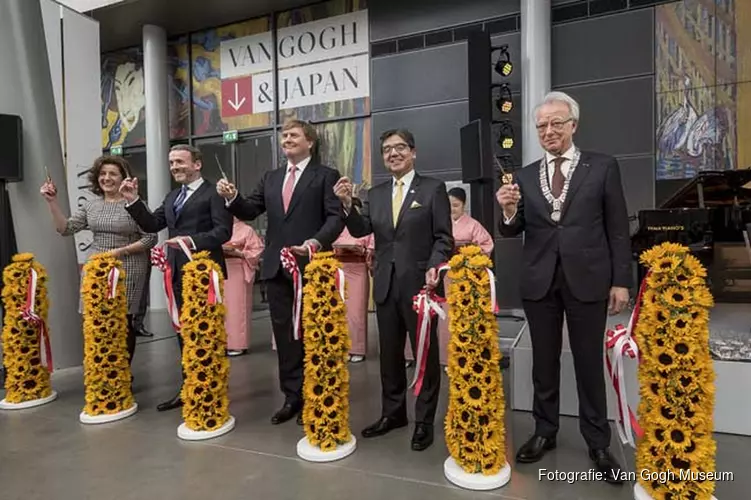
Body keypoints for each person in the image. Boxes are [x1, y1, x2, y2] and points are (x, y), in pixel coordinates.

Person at [496, 91, 631, 484]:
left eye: (556, 122)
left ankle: (598, 442)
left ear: (573, 124)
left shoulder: (602, 167)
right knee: (544, 361)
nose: (548, 130)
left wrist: (621, 280)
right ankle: (544, 431)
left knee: (589, 363)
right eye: (541, 125)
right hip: (540, 280)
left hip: (588, 278)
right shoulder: (523, 175)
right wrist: (506, 209)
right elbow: (512, 227)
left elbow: (618, 229)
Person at [216, 119, 344, 425]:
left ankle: (317, 395)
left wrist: (314, 243)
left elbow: (335, 218)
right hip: (276, 268)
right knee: (286, 336)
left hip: (312, 267)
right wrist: (232, 197)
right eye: (284, 135)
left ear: (310, 142)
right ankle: (292, 396)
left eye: (293, 135)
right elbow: (250, 210)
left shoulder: (326, 176)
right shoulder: (271, 177)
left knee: (314, 334)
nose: (286, 139)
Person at [333, 128, 453, 451]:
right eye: (387, 149)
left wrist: (435, 264)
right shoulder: (377, 193)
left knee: (425, 355)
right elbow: (361, 229)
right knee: (389, 357)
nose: (393, 153)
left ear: (413, 152)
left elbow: (444, 237)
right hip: (385, 284)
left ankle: (424, 421)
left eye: (400, 147)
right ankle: (393, 413)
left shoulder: (433, 189)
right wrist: (347, 205)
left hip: (420, 287)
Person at [119, 144, 233, 412]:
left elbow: (223, 232)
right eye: (171, 163)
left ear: (197, 164)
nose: (175, 167)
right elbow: (151, 224)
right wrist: (133, 200)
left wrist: (189, 241)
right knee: (183, 335)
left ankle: (210, 390)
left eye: (180, 162)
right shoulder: (172, 197)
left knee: (206, 335)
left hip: (205, 276)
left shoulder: (214, 193)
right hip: (177, 274)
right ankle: (189, 387)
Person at [40, 156, 157, 364]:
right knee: (95, 318)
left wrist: (119, 252)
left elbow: (150, 238)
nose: (107, 178)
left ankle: (120, 374)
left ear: (124, 178)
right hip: (96, 269)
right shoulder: (91, 206)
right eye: (103, 174)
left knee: (123, 322)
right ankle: (101, 369)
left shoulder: (135, 205)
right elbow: (65, 228)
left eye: (113, 174)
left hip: (127, 268)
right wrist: (52, 202)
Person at [404, 187, 494, 367]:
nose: (452, 209)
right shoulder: (435, 222)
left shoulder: (473, 225)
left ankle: (450, 359)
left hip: (461, 276)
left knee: (451, 317)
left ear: (464, 205)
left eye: (456, 205)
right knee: (423, 312)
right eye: (449, 205)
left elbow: (486, 245)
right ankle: (415, 355)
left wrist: (468, 254)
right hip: (435, 273)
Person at [332, 214, 374, 363]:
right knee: (339, 310)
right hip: (339, 269)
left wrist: (363, 251)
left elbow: (371, 249)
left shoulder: (364, 227)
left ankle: (357, 348)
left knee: (356, 311)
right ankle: (341, 347)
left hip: (357, 268)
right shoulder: (337, 225)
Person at [223, 217, 264, 356]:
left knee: (237, 307)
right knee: (221, 306)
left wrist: (240, 253)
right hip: (221, 267)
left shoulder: (247, 230)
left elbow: (256, 250)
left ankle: (238, 344)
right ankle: (221, 342)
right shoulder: (220, 227)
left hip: (238, 268)